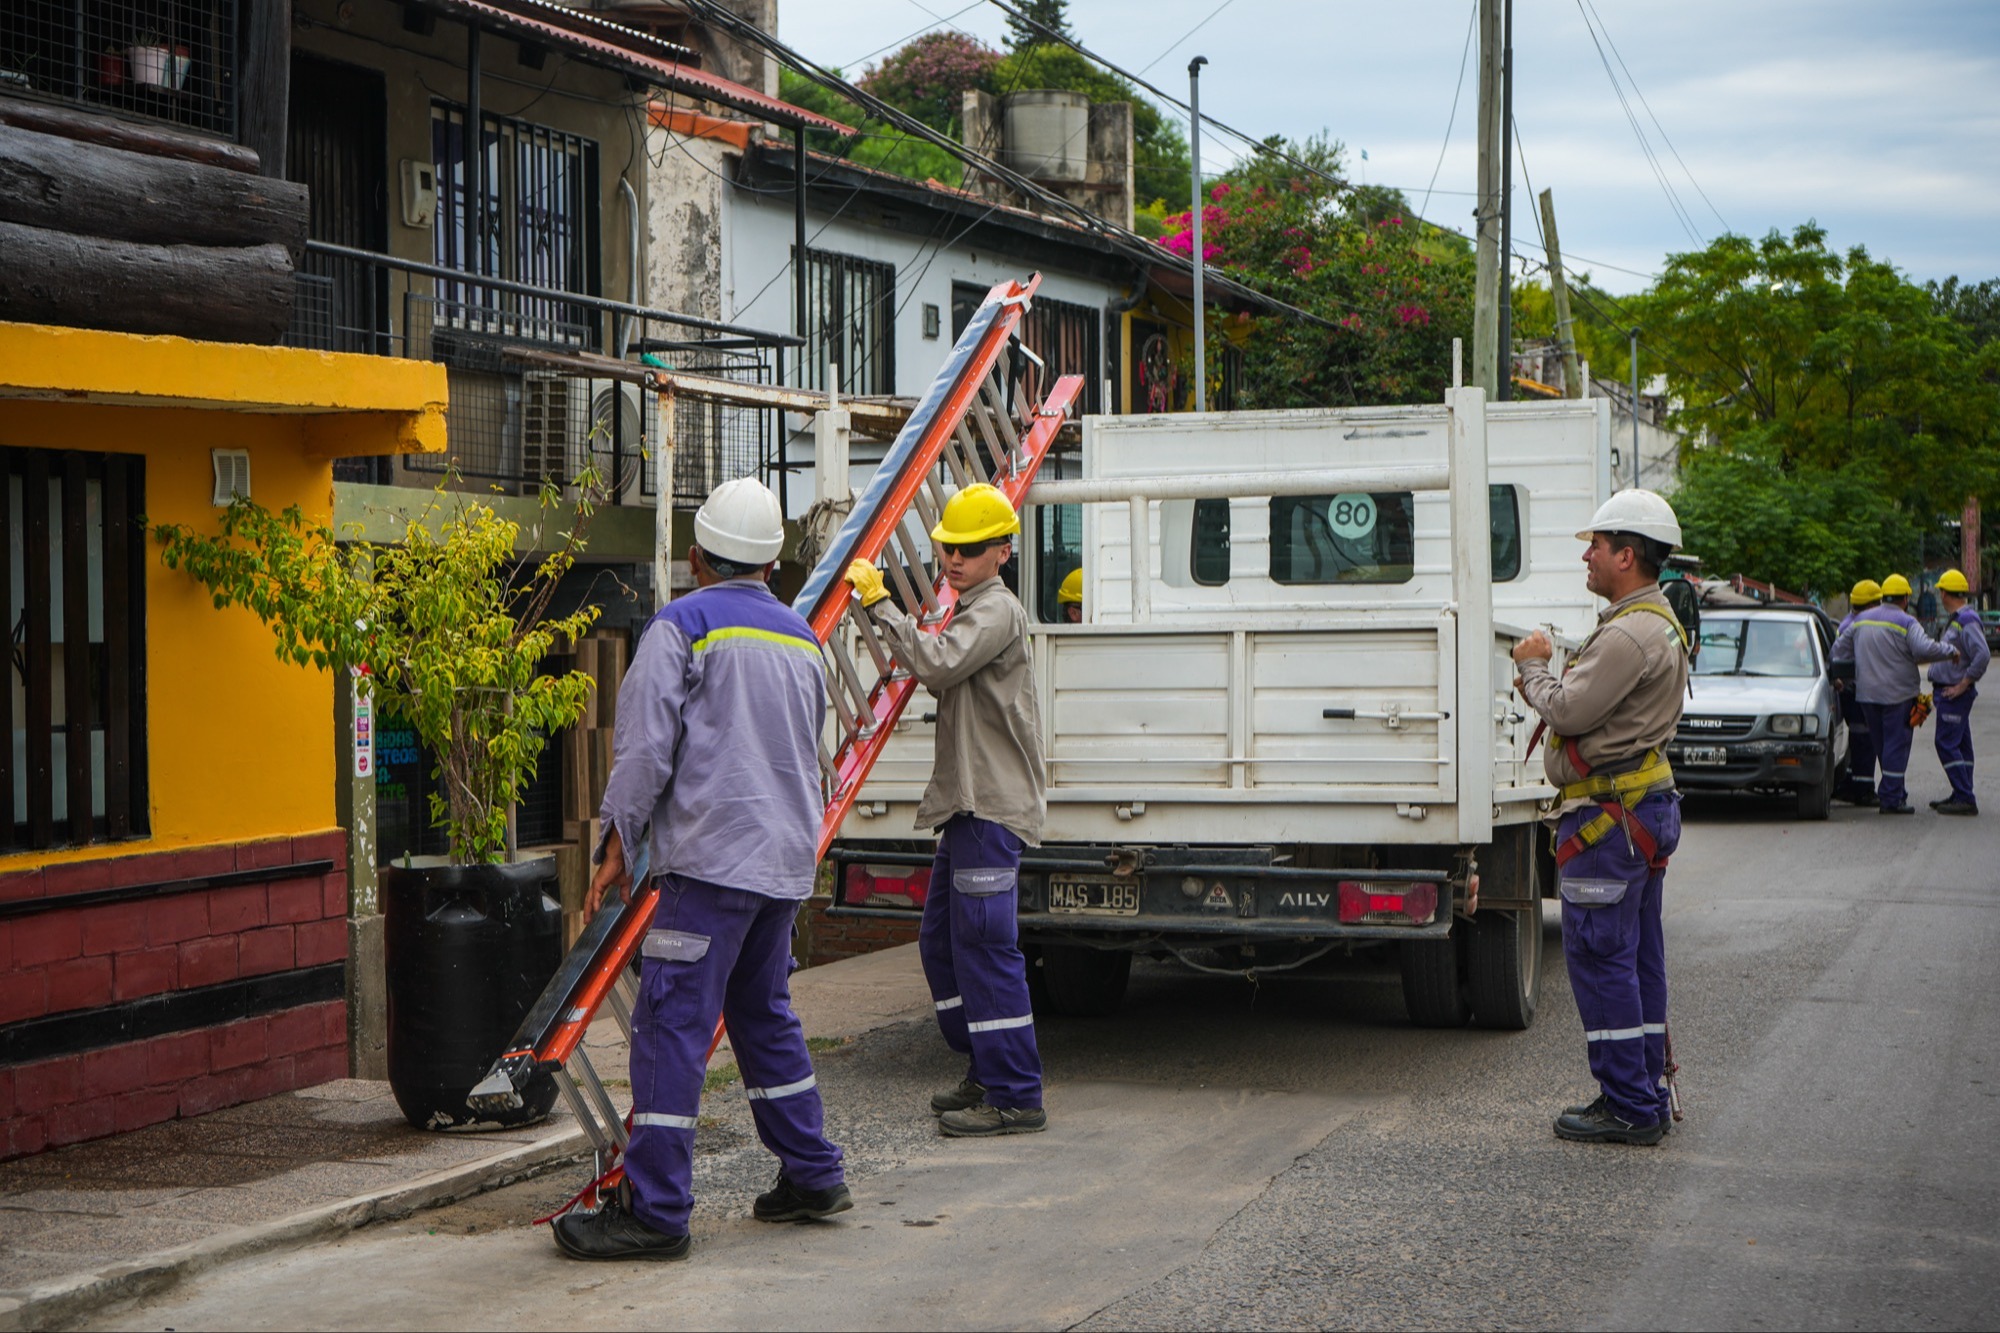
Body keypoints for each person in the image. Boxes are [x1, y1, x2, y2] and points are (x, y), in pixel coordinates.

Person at [555, 478, 849, 1262]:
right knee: (763, 1016)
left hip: (712, 865)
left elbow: (647, 749)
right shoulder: (801, 638)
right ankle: (814, 1172)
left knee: (671, 1027)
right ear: (773, 564)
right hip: (782, 865)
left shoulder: (680, 626)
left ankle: (653, 1210)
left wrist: (618, 838)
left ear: (695, 559)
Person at [845, 482, 1048, 1137]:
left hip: (989, 809)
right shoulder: (972, 606)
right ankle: (987, 1067)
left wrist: (878, 603)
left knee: (986, 949)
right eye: (947, 549)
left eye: (967, 549)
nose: (952, 560)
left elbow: (934, 663)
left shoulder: (994, 612)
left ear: (1002, 552)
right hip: (968, 808)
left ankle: (1016, 1094)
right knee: (942, 943)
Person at [1512, 489, 1689, 1147]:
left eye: (1596, 544)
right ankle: (1643, 1091)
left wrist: (1532, 666)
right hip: (1636, 812)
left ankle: (1630, 1104)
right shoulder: (1653, 621)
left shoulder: (1630, 632)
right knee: (1635, 954)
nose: (1587, 555)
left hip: (1611, 820)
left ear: (1627, 554)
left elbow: (1568, 712)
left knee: (1600, 955)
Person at [1830, 573, 1957, 816]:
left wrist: (1843, 677)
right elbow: (1923, 649)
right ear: (1906, 598)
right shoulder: (1907, 621)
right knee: (1896, 746)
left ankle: (1894, 791)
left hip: (1866, 695)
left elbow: (1839, 651)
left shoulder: (1860, 620)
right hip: (1898, 696)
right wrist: (1950, 651)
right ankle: (1891, 799)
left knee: (1882, 746)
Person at [1928, 568, 1989, 815]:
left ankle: (1965, 796)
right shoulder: (1959, 620)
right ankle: (1961, 792)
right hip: (1950, 693)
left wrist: (1964, 684)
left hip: (1954, 694)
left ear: (1944, 593)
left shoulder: (1966, 621)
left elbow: (1982, 654)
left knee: (1945, 743)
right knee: (1961, 745)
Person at [1832, 579, 1883, 806]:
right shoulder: (1856, 626)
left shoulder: (1851, 623)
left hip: (1855, 690)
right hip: (1855, 692)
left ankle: (1853, 784)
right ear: (1872, 604)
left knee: (1860, 740)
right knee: (1864, 740)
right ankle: (1863, 788)